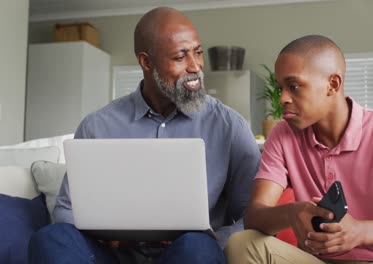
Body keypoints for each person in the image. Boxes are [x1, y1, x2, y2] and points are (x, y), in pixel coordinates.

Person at [28, 7, 260, 264]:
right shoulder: (97, 126)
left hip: (189, 255)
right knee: (50, 237)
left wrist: (215, 239)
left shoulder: (229, 126)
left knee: (197, 245)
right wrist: (110, 237)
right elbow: (65, 209)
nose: (195, 67)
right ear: (146, 62)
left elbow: (252, 214)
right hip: (114, 255)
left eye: (198, 53)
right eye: (180, 57)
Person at [224, 35, 373, 264]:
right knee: (242, 244)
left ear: (332, 85)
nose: (283, 98)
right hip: (318, 261)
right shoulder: (283, 135)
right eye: (281, 87)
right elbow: (254, 216)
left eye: (293, 86)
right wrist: (292, 213)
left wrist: (360, 232)